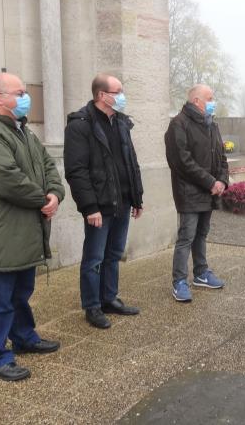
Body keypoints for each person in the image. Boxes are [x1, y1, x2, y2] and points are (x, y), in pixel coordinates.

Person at [0, 73, 65, 381]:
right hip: (0, 234)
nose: (25, 97)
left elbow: (48, 166)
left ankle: (24, 337)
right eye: (19, 93)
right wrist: (42, 200)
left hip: (24, 230)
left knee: (21, 292)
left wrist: (55, 194)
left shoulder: (23, 132)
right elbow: (7, 179)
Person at [64, 74, 144, 329]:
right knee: (94, 258)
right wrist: (90, 207)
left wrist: (137, 198)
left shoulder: (121, 122)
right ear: (102, 95)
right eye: (117, 91)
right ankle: (92, 306)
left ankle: (109, 298)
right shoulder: (80, 125)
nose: (122, 95)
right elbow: (77, 171)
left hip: (122, 201)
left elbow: (131, 162)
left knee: (114, 255)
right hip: (99, 205)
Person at [164, 84, 229, 302]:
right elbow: (182, 161)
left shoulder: (212, 125)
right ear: (196, 101)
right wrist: (210, 182)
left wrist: (221, 180)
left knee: (202, 234)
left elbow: (221, 156)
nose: (213, 102)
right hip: (189, 192)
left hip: (209, 191)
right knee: (186, 237)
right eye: (209, 98)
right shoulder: (178, 125)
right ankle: (179, 281)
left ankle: (201, 273)